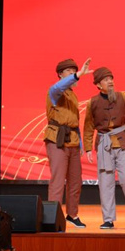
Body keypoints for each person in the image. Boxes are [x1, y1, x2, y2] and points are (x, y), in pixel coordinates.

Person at [84, 67, 125, 229]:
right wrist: (88, 148)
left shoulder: (122, 97)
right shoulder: (92, 102)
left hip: (122, 143)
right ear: (98, 85)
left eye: (111, 79)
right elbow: (88, 126)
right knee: (105, 183)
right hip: (103, 145)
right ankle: (108, 219)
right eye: (106, 80)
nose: (110, 82)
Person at [44, 57, 93, 228]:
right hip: (57, 139)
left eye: (74, 71)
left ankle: (72, 214)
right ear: (60, 74)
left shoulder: (73, 95)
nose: (73, 73)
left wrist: (80, 145)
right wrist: (78, 75)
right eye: (69, 71)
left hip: (73, 141)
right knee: (58, 181)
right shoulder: (55, 91)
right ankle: (53, 217)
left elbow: (74, 122)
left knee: (75, 181)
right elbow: (58, 87)